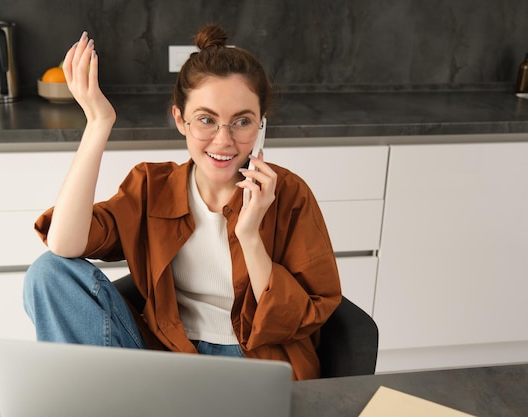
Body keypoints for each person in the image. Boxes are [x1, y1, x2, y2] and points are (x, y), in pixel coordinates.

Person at [23, 25, 341, 380]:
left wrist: (250, 235)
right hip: (169, 358)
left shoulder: (290, 194)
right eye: (206, 119)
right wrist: (98, 123)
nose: (224, 141)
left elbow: (303, 318)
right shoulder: (151, 187)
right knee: (48, 272)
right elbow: (64, 244)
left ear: (261, 125)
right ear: (180, 119)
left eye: (242, 122)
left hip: (255, 363)